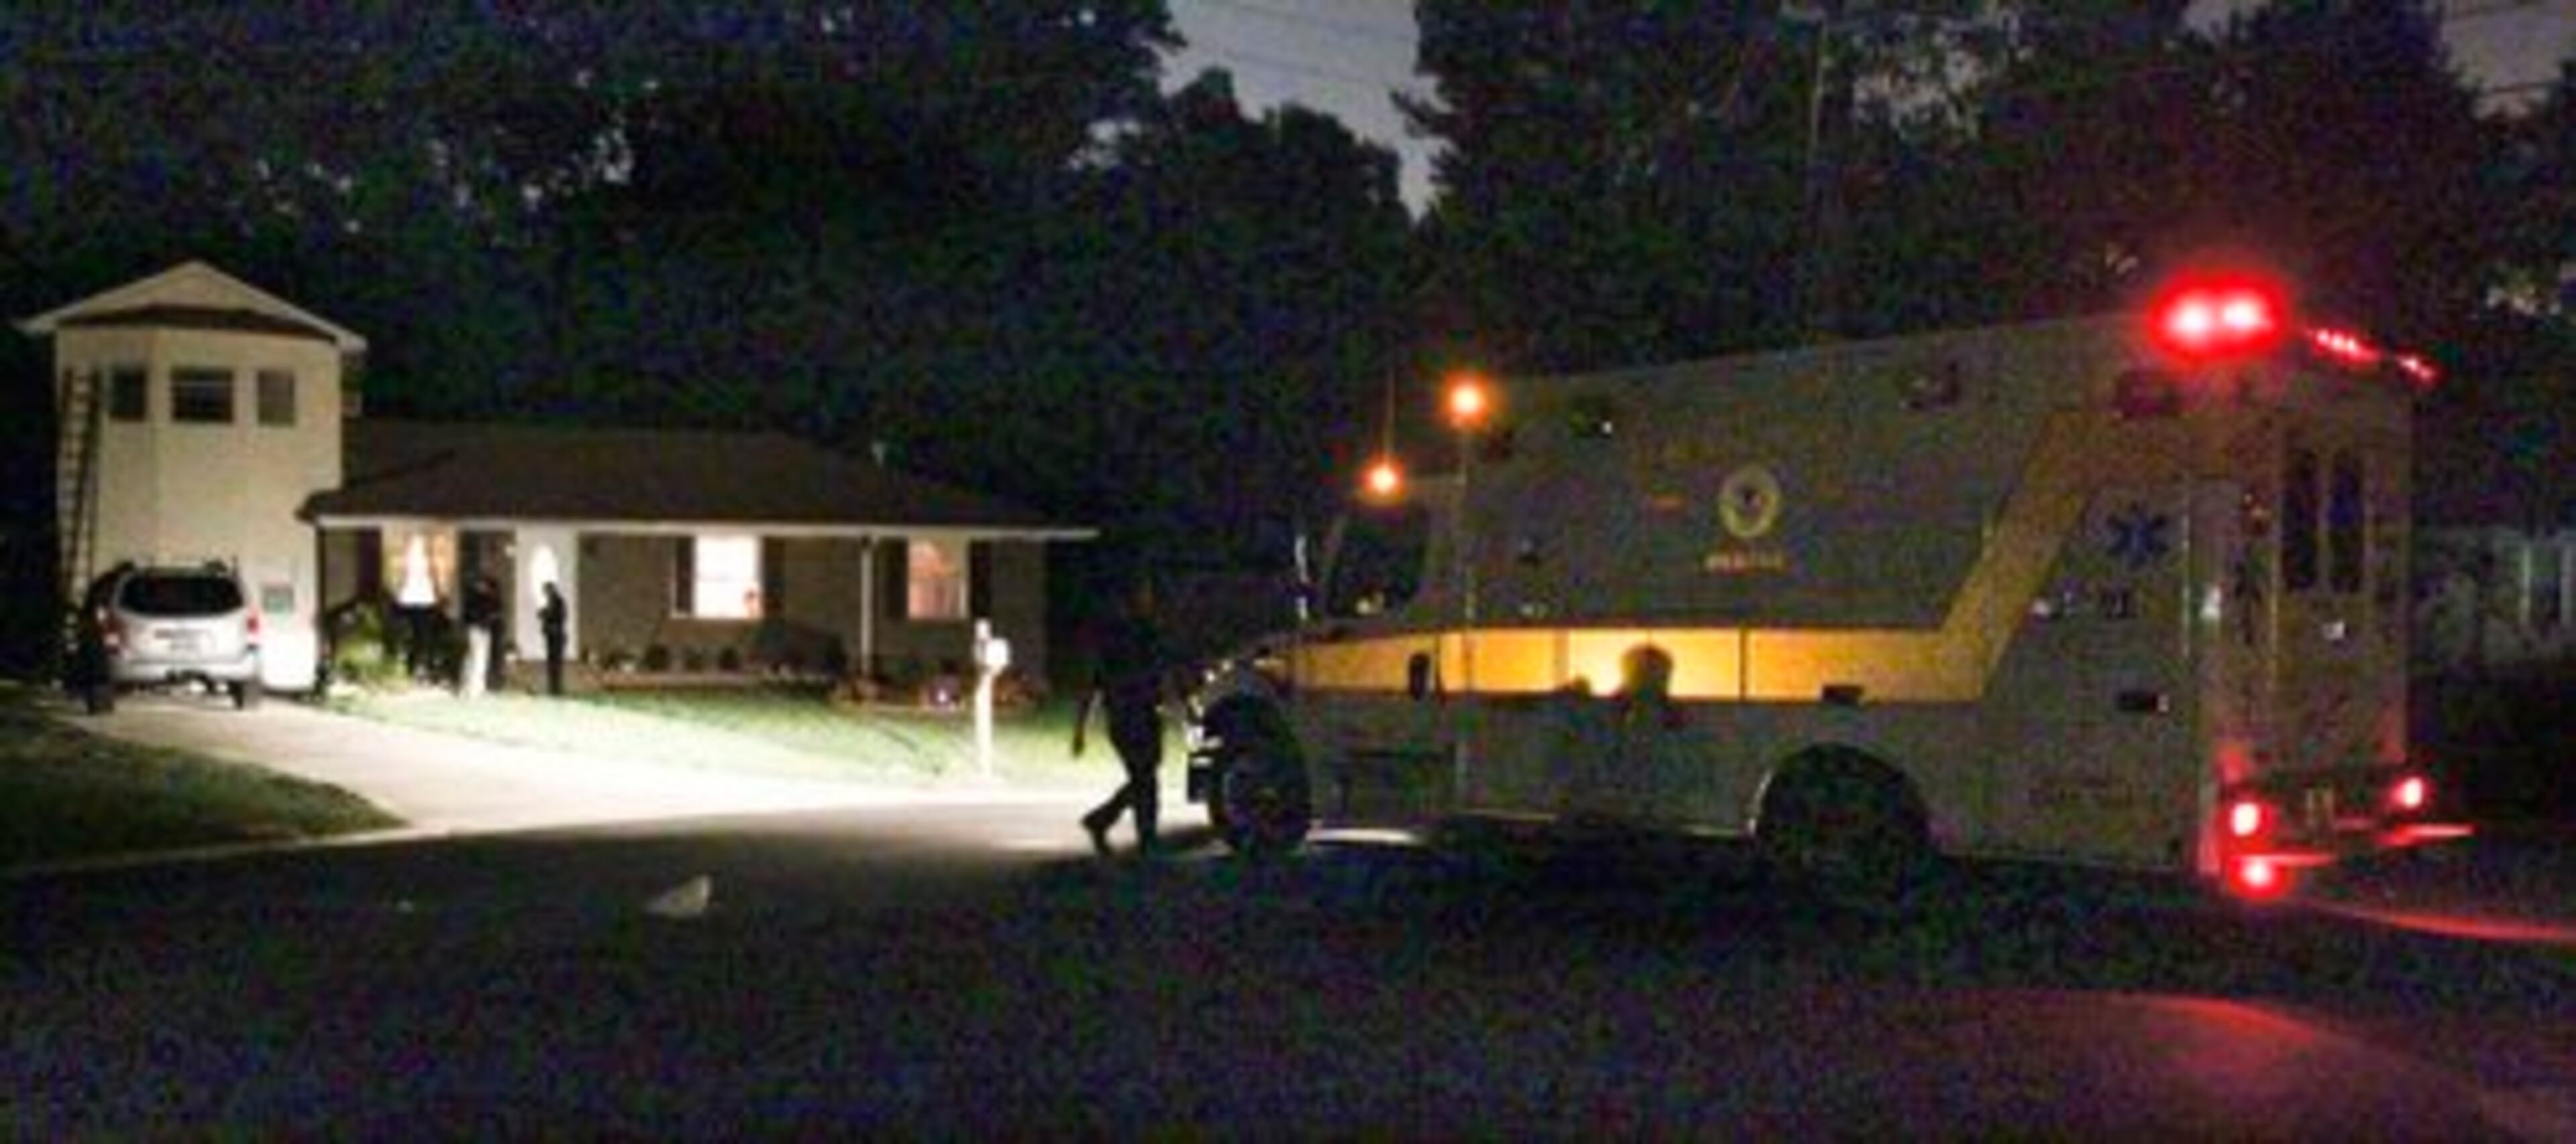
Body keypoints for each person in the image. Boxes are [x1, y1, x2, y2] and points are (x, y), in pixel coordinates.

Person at [1074, 576, 1168, 857]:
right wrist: (1080, 729)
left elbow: (1162, 672)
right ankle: (1146, 838)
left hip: (1145, 713)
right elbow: (1094, 683)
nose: (1149, 600)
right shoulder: (1118, 639)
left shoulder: (1147, 633)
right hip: (1127, 715)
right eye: (1143, 594)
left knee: (1145, 777)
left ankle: (1104, 820)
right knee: (1145, 779)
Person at [460, 575, 501, 698]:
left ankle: (472, 687)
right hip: (478, 629)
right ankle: (474, 689)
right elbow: (479, 614)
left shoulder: (475, 597)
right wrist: (487, 620)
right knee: (478, 658)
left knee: (476, 657)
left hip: (480, 629)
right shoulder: (478, 598)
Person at [539, 581, 569, 696]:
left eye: (546, 591)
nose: (545, 594)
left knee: (556, 662)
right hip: (551, 636)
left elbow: (560, 617)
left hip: (557, 636)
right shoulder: (550, 602)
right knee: (551, 662)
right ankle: (552, 687)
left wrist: (546, 615)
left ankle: (556, 688)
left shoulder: (558, 602)